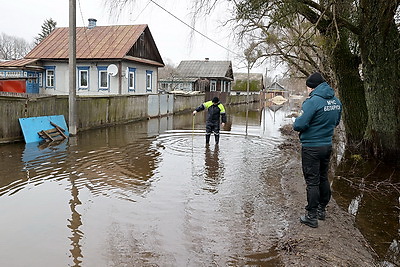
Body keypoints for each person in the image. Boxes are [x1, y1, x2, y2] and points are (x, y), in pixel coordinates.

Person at [293, 72, 342, 228]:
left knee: (312, 181)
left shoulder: (312, 102)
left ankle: (311, 216)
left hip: (311, 147)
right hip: (327, 145)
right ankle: (322, 210)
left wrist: (298, 121)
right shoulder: (336, 101)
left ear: (311, 87)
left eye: (308, 88)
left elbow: (299, 125)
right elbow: (336, 122)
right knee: (323, 177)